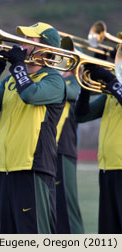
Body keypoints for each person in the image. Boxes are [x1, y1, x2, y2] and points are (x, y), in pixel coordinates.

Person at [0, 22, 66, 234]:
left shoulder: (54, 80)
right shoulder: (11, 82)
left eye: (31, 39)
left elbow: (31, 94)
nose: (23, 42)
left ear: (46, 49)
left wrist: (18, 65)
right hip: (6, 169)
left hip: (33, 168)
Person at [74, 64, 122, 233]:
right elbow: (81, 115)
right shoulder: (112, 94)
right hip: (107, 169)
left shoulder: (116, 89)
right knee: (109, 233)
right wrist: (85, 87)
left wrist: (112, 81)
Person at [55, 67, 84, 234]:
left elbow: (75, 93)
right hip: (50, 150)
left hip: (63, 149)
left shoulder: (75, 81)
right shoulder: (57, 80)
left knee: (67, 206)